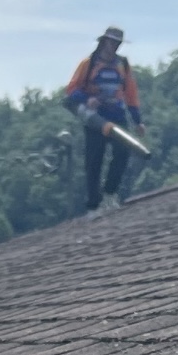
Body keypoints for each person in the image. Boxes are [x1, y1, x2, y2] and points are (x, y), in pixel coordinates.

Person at [65, 27, 145, 215]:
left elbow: (131, 94)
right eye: (112, 42)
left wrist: (137, 120)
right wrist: (87, 99)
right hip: (95, 119)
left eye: (117, 43)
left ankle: (110, 193)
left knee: (122, 153)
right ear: (104, 42)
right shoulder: (89, 64)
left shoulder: (123, 65)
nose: (114, 46)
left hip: (117, 116)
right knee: (94, 161)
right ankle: (93, 205)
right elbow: (72, 90)